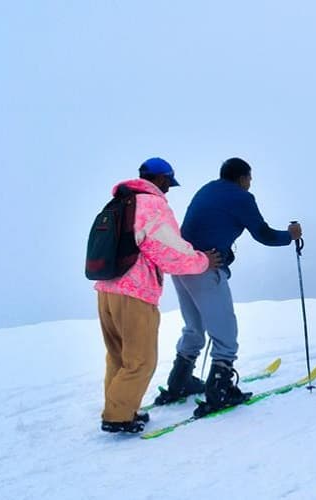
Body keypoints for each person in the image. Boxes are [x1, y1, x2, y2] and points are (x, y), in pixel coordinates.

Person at [156, 157, 302, 417]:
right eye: (250, 178)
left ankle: (179, 382)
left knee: (194, 327)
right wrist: (290, 236)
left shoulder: (208, 189)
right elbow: (263, 234)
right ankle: (219, 391)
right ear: (243, 177)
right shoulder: (241, 197)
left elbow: (204, 226)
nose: (250, 183)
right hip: (206, 268)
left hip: (183, 266)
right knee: (225, 332)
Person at [95, 157, 222, 433]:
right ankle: (117, 417)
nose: (168, 190)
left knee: (118, 357)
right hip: (135, 292)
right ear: (162, 179)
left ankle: (121, 407)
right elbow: (170, 252)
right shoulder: (152, 205)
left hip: (106, 289)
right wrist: (203, 261)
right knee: (141, 360)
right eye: (168, 184)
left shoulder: (120, 202)